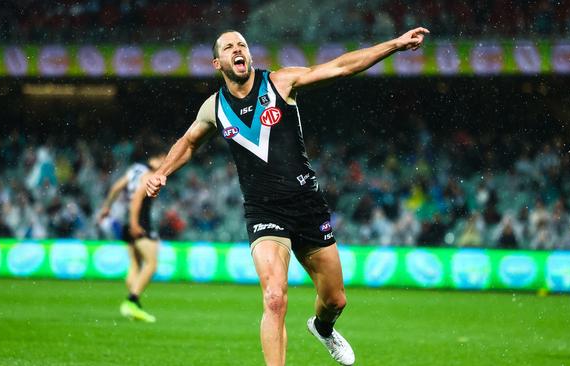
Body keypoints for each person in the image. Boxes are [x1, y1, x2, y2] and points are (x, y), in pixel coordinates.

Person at [145, 28, 429, 365]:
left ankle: (323, 328)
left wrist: (394, 45)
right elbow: (189, 142)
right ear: (217, 62)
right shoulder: (215, 108)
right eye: (229, 47)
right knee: (275, 298)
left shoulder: (280, 83)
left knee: (335, 300)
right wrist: (163, 171)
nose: (238, 50)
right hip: (264, 211)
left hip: (307, 206)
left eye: (243, 45)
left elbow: (341, 67)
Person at [99, 147, 165, 323]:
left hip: (127, 222)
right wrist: (135, 224)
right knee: (151, 264)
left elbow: (116, 188)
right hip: (139, 222)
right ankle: (132, 301)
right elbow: (137, 198)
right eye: (164, 158)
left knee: (135, 264)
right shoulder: (150, 174)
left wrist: (106, 207)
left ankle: (134, 306)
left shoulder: (135, 169)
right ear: (158, 157)